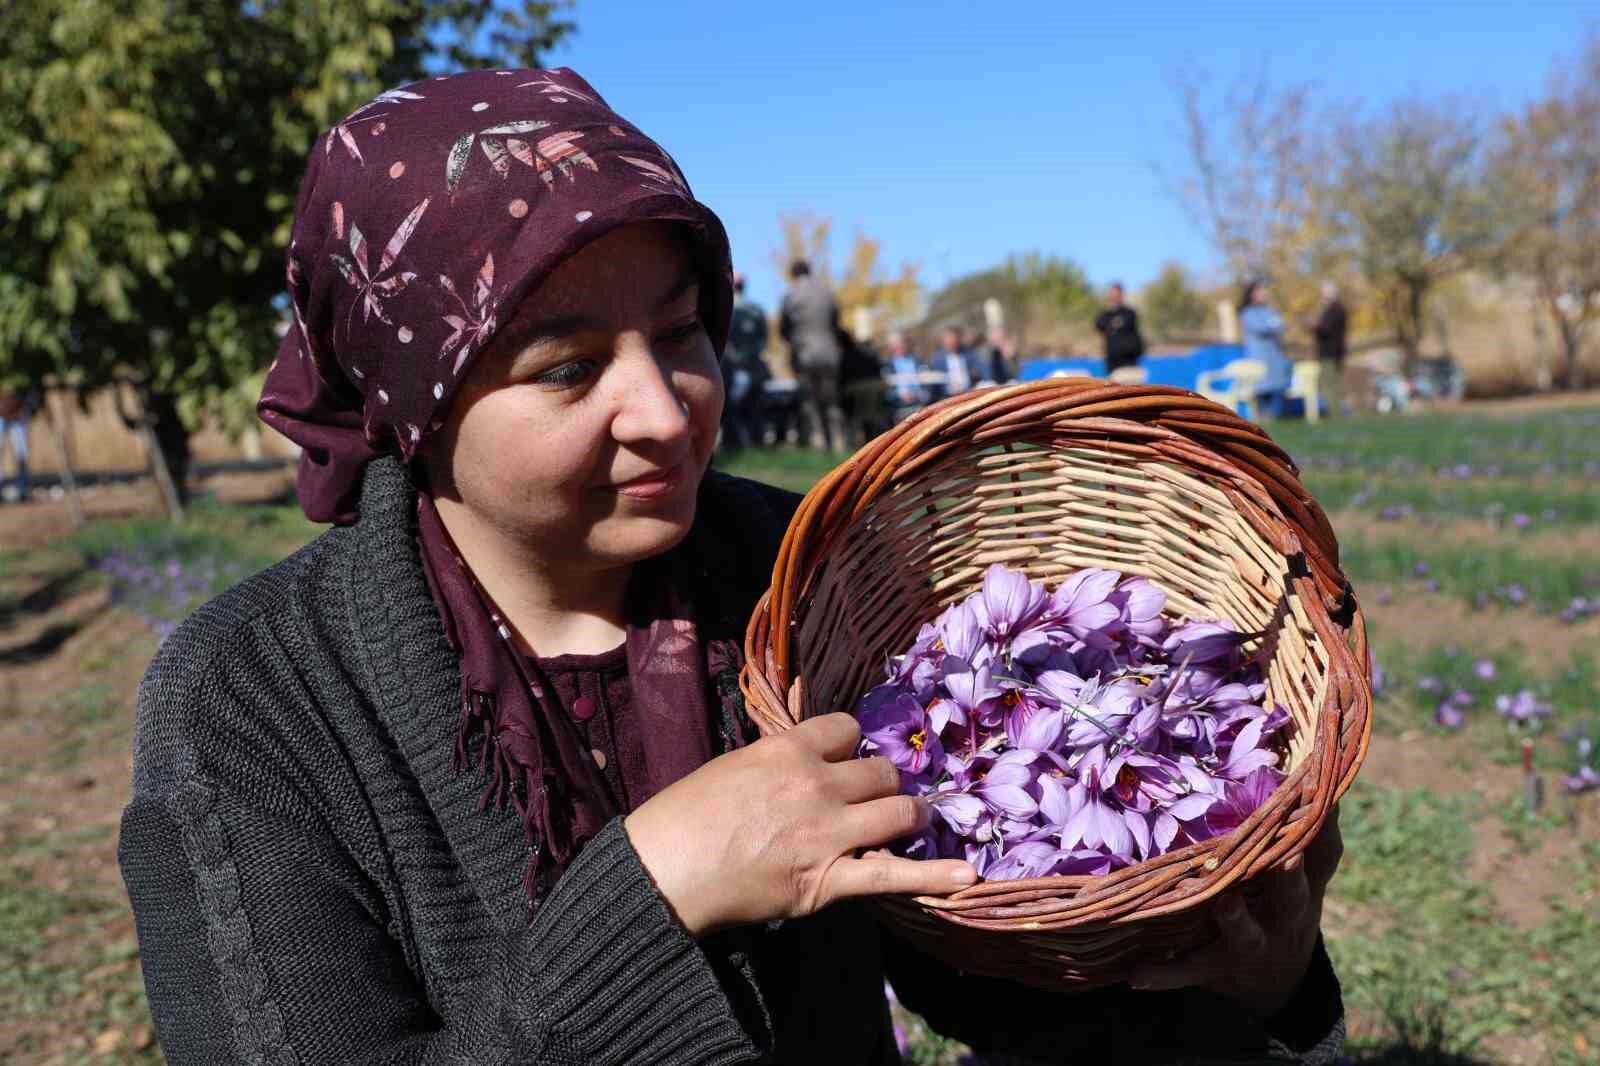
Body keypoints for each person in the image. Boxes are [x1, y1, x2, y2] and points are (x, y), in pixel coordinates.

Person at [118, 69, 1347, 1066]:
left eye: (679, 331)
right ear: (413, 401)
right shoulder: (250, 700)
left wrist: (1248, 982)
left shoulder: (798, 576)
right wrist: (656, 889)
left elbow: (986, 972)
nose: (665, 412)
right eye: (566, 367)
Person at [779, 259, 845, 451]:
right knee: (831, 398)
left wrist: (793, 339)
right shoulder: (827, 293)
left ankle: (818, 438)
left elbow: (784, 328)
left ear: (793, 274)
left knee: (810, 400)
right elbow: (836, 322)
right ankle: (838, 439)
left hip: (804, 353)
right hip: (829, 352)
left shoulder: (790, 296)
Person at [720, 273, 770, 449]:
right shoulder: (757, 310)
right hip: (754, 366)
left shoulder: (726, 309)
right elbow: (764, 339)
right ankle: (757, 442)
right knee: (755, 406)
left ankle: (733, 444)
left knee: (731, 407)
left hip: (731, 367)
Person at [1239, 278, 1293, 417]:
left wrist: (1276, 325)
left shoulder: (1269, 311)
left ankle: (1274, 417)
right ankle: (1263, 417)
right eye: (1260, 291)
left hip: (1275, 359)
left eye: (1264, 290)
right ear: (1252, 294)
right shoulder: (1248, 313)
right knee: (1262, 389)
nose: (1264, 293)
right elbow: (1263, 328)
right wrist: (1275, 326)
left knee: (1277, 390)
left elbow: (1279, 325)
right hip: (1259, 360)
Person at [1311, 281, 1348, 419]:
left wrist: (1314, 324)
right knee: (1329, 383)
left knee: (1330, 384)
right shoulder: (1330, 308)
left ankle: (1335, 414)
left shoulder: (1336, 309)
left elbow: (1327, 329)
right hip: (1329, 352)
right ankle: (1335, 413)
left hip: (1331, 353)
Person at [1094, 283, 1145, 376]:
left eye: (1116, 295)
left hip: (1130, 363)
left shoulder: (1129, 313)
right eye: (1112, 294)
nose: (1114, 297)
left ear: (1121, 295)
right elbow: (1099, 324)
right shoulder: (1105, 314)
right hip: (1112, 363)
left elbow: (1126, 323)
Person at [0, 386, 38, 502]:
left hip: (17, 416)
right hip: (1, 416)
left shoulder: (20, 383)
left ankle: (23, 488)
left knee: (22, 454)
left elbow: (29, 396)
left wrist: (24, 410)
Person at [934, 325, 982, 397]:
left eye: (954, 340)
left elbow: (982, 368)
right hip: (948, 396)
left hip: (970, 392)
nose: (951, 342)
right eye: (948, 339)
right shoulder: (938, 359)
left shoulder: (969, 353)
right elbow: (937, 382)